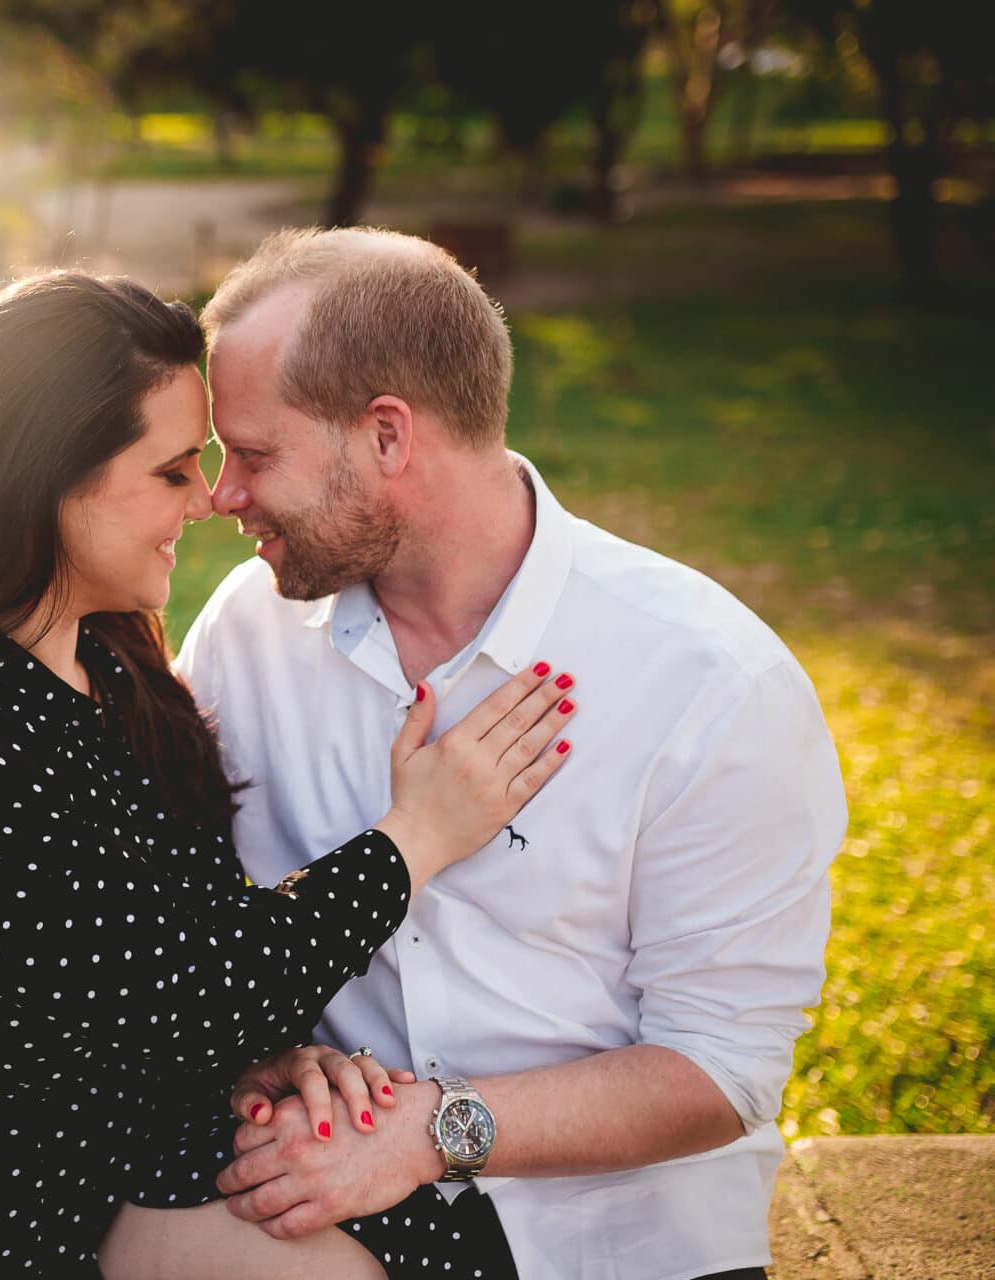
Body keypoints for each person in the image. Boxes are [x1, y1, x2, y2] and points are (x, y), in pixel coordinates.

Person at [0, 271, 580, 1278]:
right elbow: (184, 1000)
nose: (211, 499)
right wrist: (417, 837)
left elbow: (175, 963)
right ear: (47, 473)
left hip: (79, 1191)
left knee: (440, 1239)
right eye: (173, 471)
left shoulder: (118, 679)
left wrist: (266, 1062)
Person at [125, 227, 847, 1280]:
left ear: (386, 436)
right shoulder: (250, 632)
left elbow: (721, 1067)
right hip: (324, 1196)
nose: (221, 494)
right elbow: (176, 921)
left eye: (257, 452)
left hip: (616, 1232)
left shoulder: (710, 682)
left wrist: (428, 1130)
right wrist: (266, 1053)